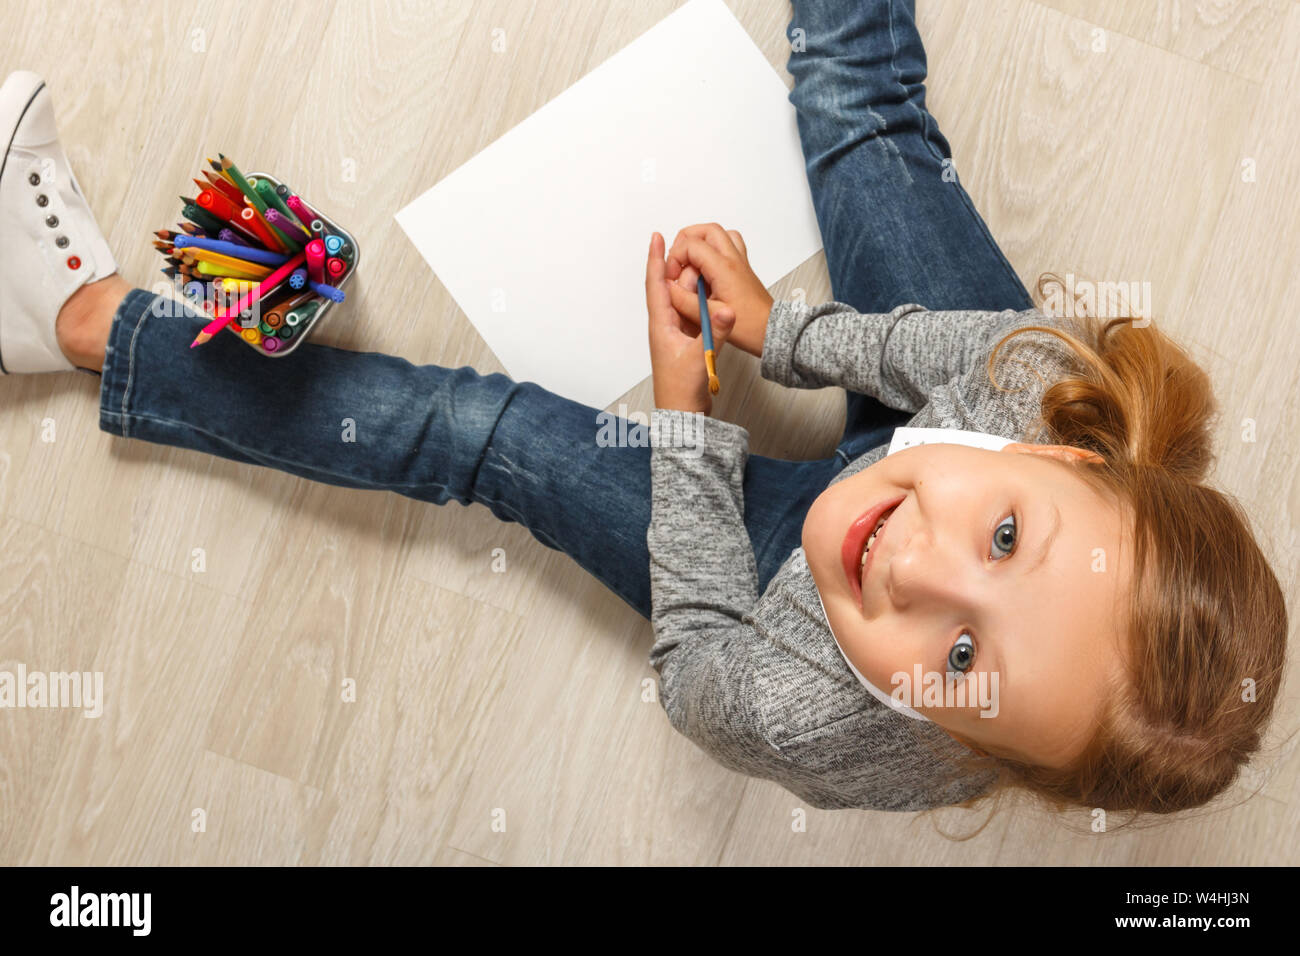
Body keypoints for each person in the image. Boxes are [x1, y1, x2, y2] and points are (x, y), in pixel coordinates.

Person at [0, 0, 1286, 821]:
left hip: (770, 579)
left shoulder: (794, 713)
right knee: (863, 116)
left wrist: (689, 417)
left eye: (962, 660)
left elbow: (701, 652)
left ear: (962, 742)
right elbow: (905, 348)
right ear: (1065, 444)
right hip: (930, 407)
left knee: (477, 435)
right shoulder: (1034, 369)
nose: (912, 559)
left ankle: (80, 325)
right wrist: (775, 332)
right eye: (1004, 538)